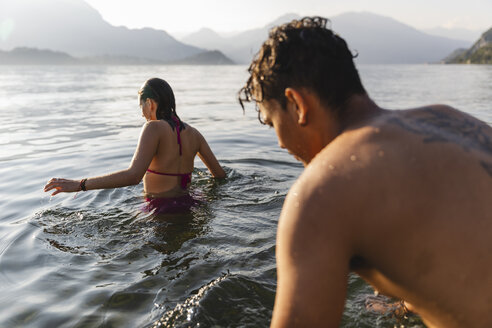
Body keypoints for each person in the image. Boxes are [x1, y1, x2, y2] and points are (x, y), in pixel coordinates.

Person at [239, 16, 492, 328]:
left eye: (272, 122)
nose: (279, 143)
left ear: (296, 104)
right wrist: (405, 304)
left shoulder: (321, 192)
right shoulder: (450, 120)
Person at [44, 77, 225, 213]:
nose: (142, 115)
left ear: (150, 103)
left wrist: (80, 184)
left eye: (142, 108)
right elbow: (220, 175)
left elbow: (133, 176)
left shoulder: (153, 128)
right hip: (190, 206)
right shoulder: (194, 134)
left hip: (158, 211)